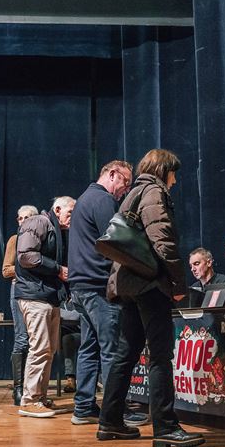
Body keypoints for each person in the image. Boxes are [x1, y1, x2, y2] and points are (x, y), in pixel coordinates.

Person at [98, 149, 205, 447]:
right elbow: (163, 240)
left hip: (129, 284)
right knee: (160, 356)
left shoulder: (133, 192)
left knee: (126, 354)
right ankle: (166, 428)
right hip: (149, 284)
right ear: (164, 170)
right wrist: (178, 283)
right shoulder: (153, 191)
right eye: (174, 174)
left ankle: (110, 422)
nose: (175, 180)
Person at [67, 159, 148, 427]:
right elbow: (117, 240)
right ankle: (117, 411)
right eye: (125, 183)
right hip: (97, 287)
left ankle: (83, 407)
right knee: (112, 350)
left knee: (88, 348)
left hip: (80, 287)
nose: (125, 191)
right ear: (111, 174)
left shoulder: (82, 200)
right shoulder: (102, 201)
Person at [14, 196, 75, 418]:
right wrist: (57, 269)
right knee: (40, 348)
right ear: (57, 209)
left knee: (48, 350)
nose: (72, 218)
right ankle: (29, 400)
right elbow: (26, 256)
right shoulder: (38, 222)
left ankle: (38, 396)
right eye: (70, 213)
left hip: (48, 296)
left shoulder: (56, 230)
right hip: (34, 296)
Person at [1, 204, 39, 405]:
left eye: (27, 217)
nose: (22, 221)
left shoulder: (40, 239)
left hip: (38, 291)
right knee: (22, 337)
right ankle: (18, 388)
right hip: (19, 290)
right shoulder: (15, 240)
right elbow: (6, 270)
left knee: (38, 342)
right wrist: (28, 269)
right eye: (20, 218)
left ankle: (32, 389)